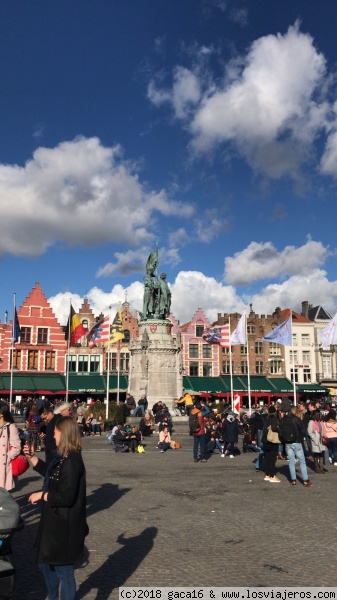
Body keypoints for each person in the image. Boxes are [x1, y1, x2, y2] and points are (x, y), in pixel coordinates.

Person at [27, 416, 88, 600]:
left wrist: (42, 495)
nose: (53, 435)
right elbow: (51, 473)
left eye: (55, 431)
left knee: (64, 571)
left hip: (65, 526)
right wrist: (32, 458)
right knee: (45, 564)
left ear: (64, 433)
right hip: (54, 523)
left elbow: (67, 496)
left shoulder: (72, 461)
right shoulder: (63, 458)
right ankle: (53, 596)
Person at [279, 399, 313, 487]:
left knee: (291, 461)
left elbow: (281, 431)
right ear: (293, 411)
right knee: (302, 461)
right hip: (297, 441)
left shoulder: (283, 420)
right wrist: (300, 437)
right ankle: (305, 479)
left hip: (287, 442)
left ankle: (293, 479)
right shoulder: (296, 419)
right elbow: (302, 430)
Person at [0, 401, 21, 491]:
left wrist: (7, 457)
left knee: (2, 494)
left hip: (3, 465)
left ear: (1, 414)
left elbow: (17, 447)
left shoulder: (10, 427)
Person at [261, 405, 282, 483]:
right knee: (272, 459)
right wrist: (279, 430)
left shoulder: (265, 419)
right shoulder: (274, 419)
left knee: (268, 458)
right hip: (272, 441)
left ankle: (267, 474)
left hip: (265, 440)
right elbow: (274, 428)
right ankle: (272, 475)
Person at [308, 409, 328, 474]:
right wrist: (314, 438)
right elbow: (310, 432)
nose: (320, 415)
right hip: (316, 440)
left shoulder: (320, 421)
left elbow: (324, 429)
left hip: (321, 439)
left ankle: (321, 467)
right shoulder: (311, 422)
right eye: (319, 414)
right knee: (316, 454)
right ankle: (317, 468)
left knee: (322, 453)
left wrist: (324, 436)